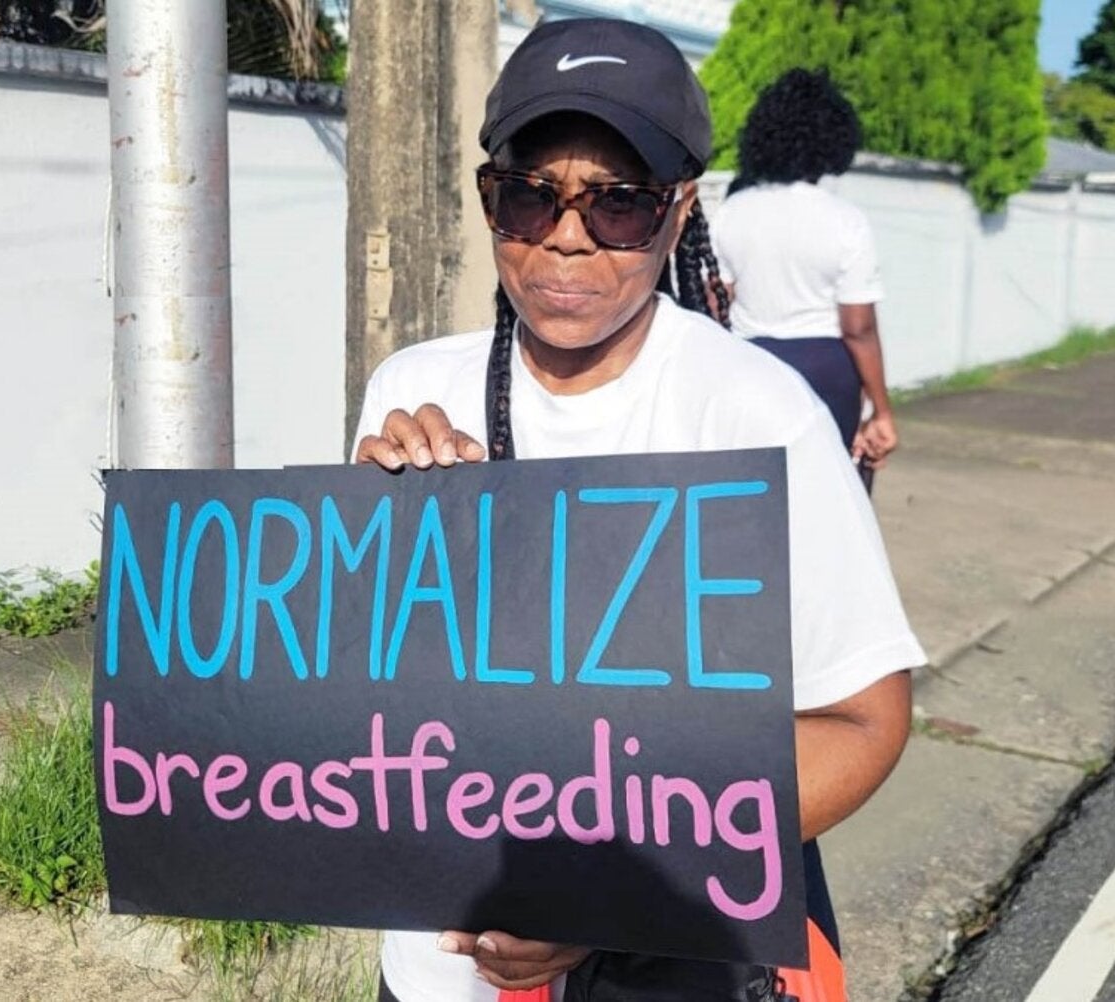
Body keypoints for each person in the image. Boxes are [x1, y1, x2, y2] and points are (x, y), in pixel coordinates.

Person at [353, 18, 924, 1002]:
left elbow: (861, 721)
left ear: (678, 211)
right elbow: (357, 686)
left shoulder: (756, 413)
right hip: (431, 971)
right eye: (529, 196)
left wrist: (603, 892)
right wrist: (366, 538)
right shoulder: (413, 386)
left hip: (665, 966)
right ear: (489, 197)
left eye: (617, 204)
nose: (566, 237)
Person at [710, 68, 898, 483]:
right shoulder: (845, 221)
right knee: (833, 492)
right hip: (825, 371)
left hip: (751, 365)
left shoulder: (732, 212)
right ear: (833, 139)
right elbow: (858, 328)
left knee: (757, 497)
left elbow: (716, 304)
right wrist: (881, 410)